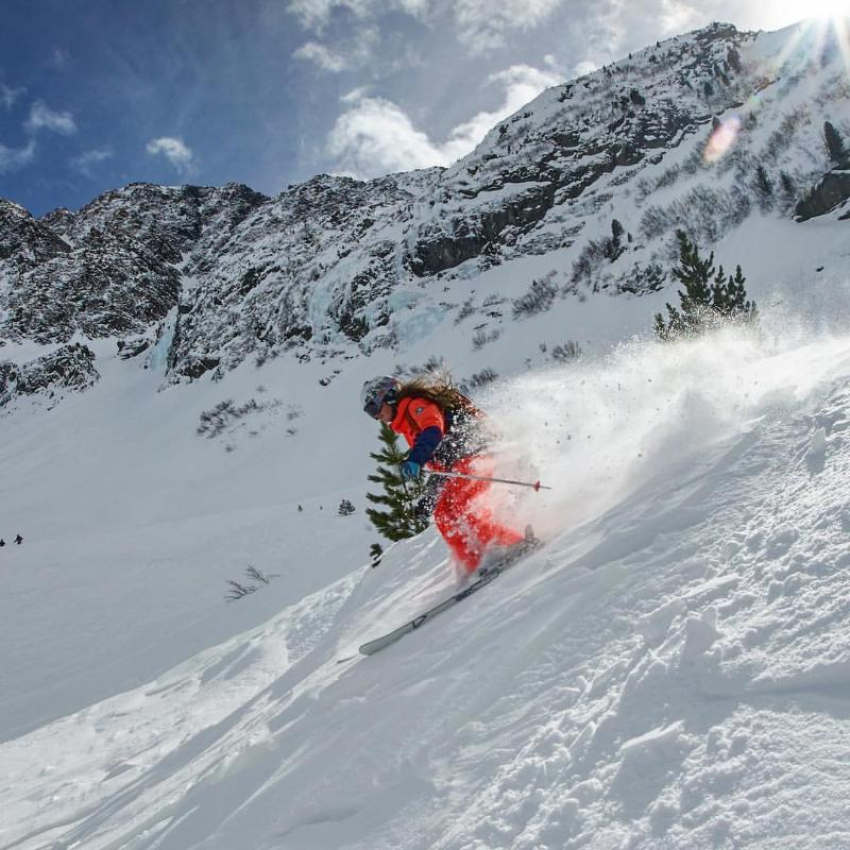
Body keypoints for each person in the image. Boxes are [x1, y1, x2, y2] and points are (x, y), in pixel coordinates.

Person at [361, 374, 529, 575]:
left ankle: (508, 544)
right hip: (460, 463)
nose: (375, 416)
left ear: (388, 395)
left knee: (460, 507)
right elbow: (442, 465)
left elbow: (433, 429)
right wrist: (429, 499)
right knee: (443, 514)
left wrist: (416, 458)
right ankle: (473, 561)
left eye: (374, 408)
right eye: (370, 413)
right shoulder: (406, 423)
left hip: (476, 454)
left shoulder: (415, 405)